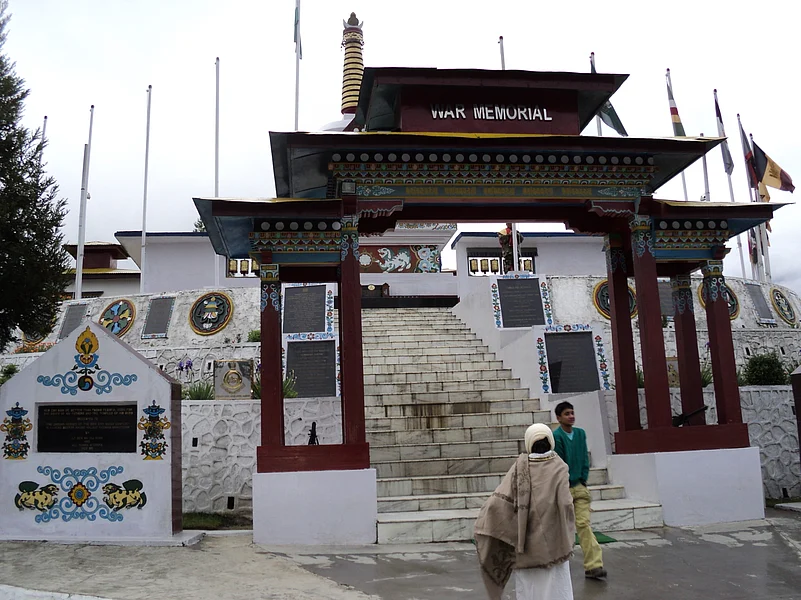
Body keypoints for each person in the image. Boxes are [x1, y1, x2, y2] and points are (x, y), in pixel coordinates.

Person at [475, 423, 575, 600]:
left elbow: (497, 504)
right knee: (556, 590)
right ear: (550, 441)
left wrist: (485, 524)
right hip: (554, 547)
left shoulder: (519, 467)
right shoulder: (559, 466)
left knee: (530, 591)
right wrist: (566, 533)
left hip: (526, 549)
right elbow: (566, 505)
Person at [553, 401, 607, 580]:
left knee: (583, 525)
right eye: (567, 414)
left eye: (572, 413)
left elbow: (584, 457)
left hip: (579, 487)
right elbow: (560, 463)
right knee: (561, 528)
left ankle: (594, 565)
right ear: (559, 418)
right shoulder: (556, 436)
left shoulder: (580, 433)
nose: (571, 416)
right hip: (563, 489)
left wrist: (583, 479)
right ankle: (554, 564)